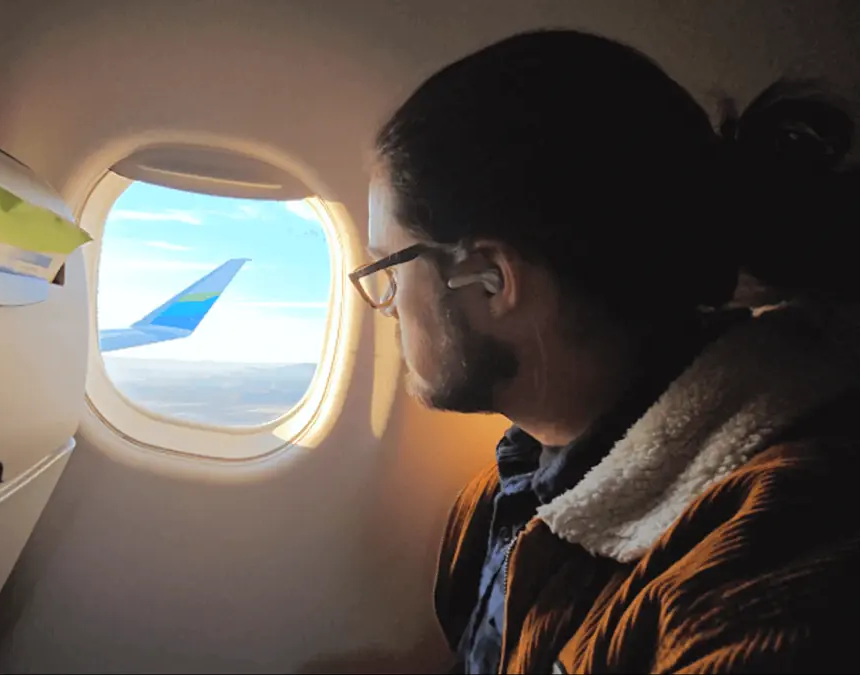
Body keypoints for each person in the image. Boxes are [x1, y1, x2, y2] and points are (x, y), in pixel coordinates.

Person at [353, 29, 860, 674]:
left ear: (490, 280)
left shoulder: (772, 559)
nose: (387, 304)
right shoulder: (514, 481)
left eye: (390, 269)